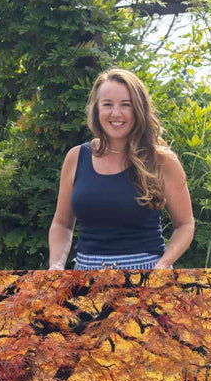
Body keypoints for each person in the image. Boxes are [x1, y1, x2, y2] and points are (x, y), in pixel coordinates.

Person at [47, 68, 194, 270]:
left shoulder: (161, 160)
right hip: (85, 280)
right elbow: (62, 224)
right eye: (107, 104)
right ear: (96, 109)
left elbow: (185, 224)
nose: (116, 113)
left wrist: (163, 265)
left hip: (148, 278)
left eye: (126, 105)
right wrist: (56, 265)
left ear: (139, 109)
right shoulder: (76, 157)